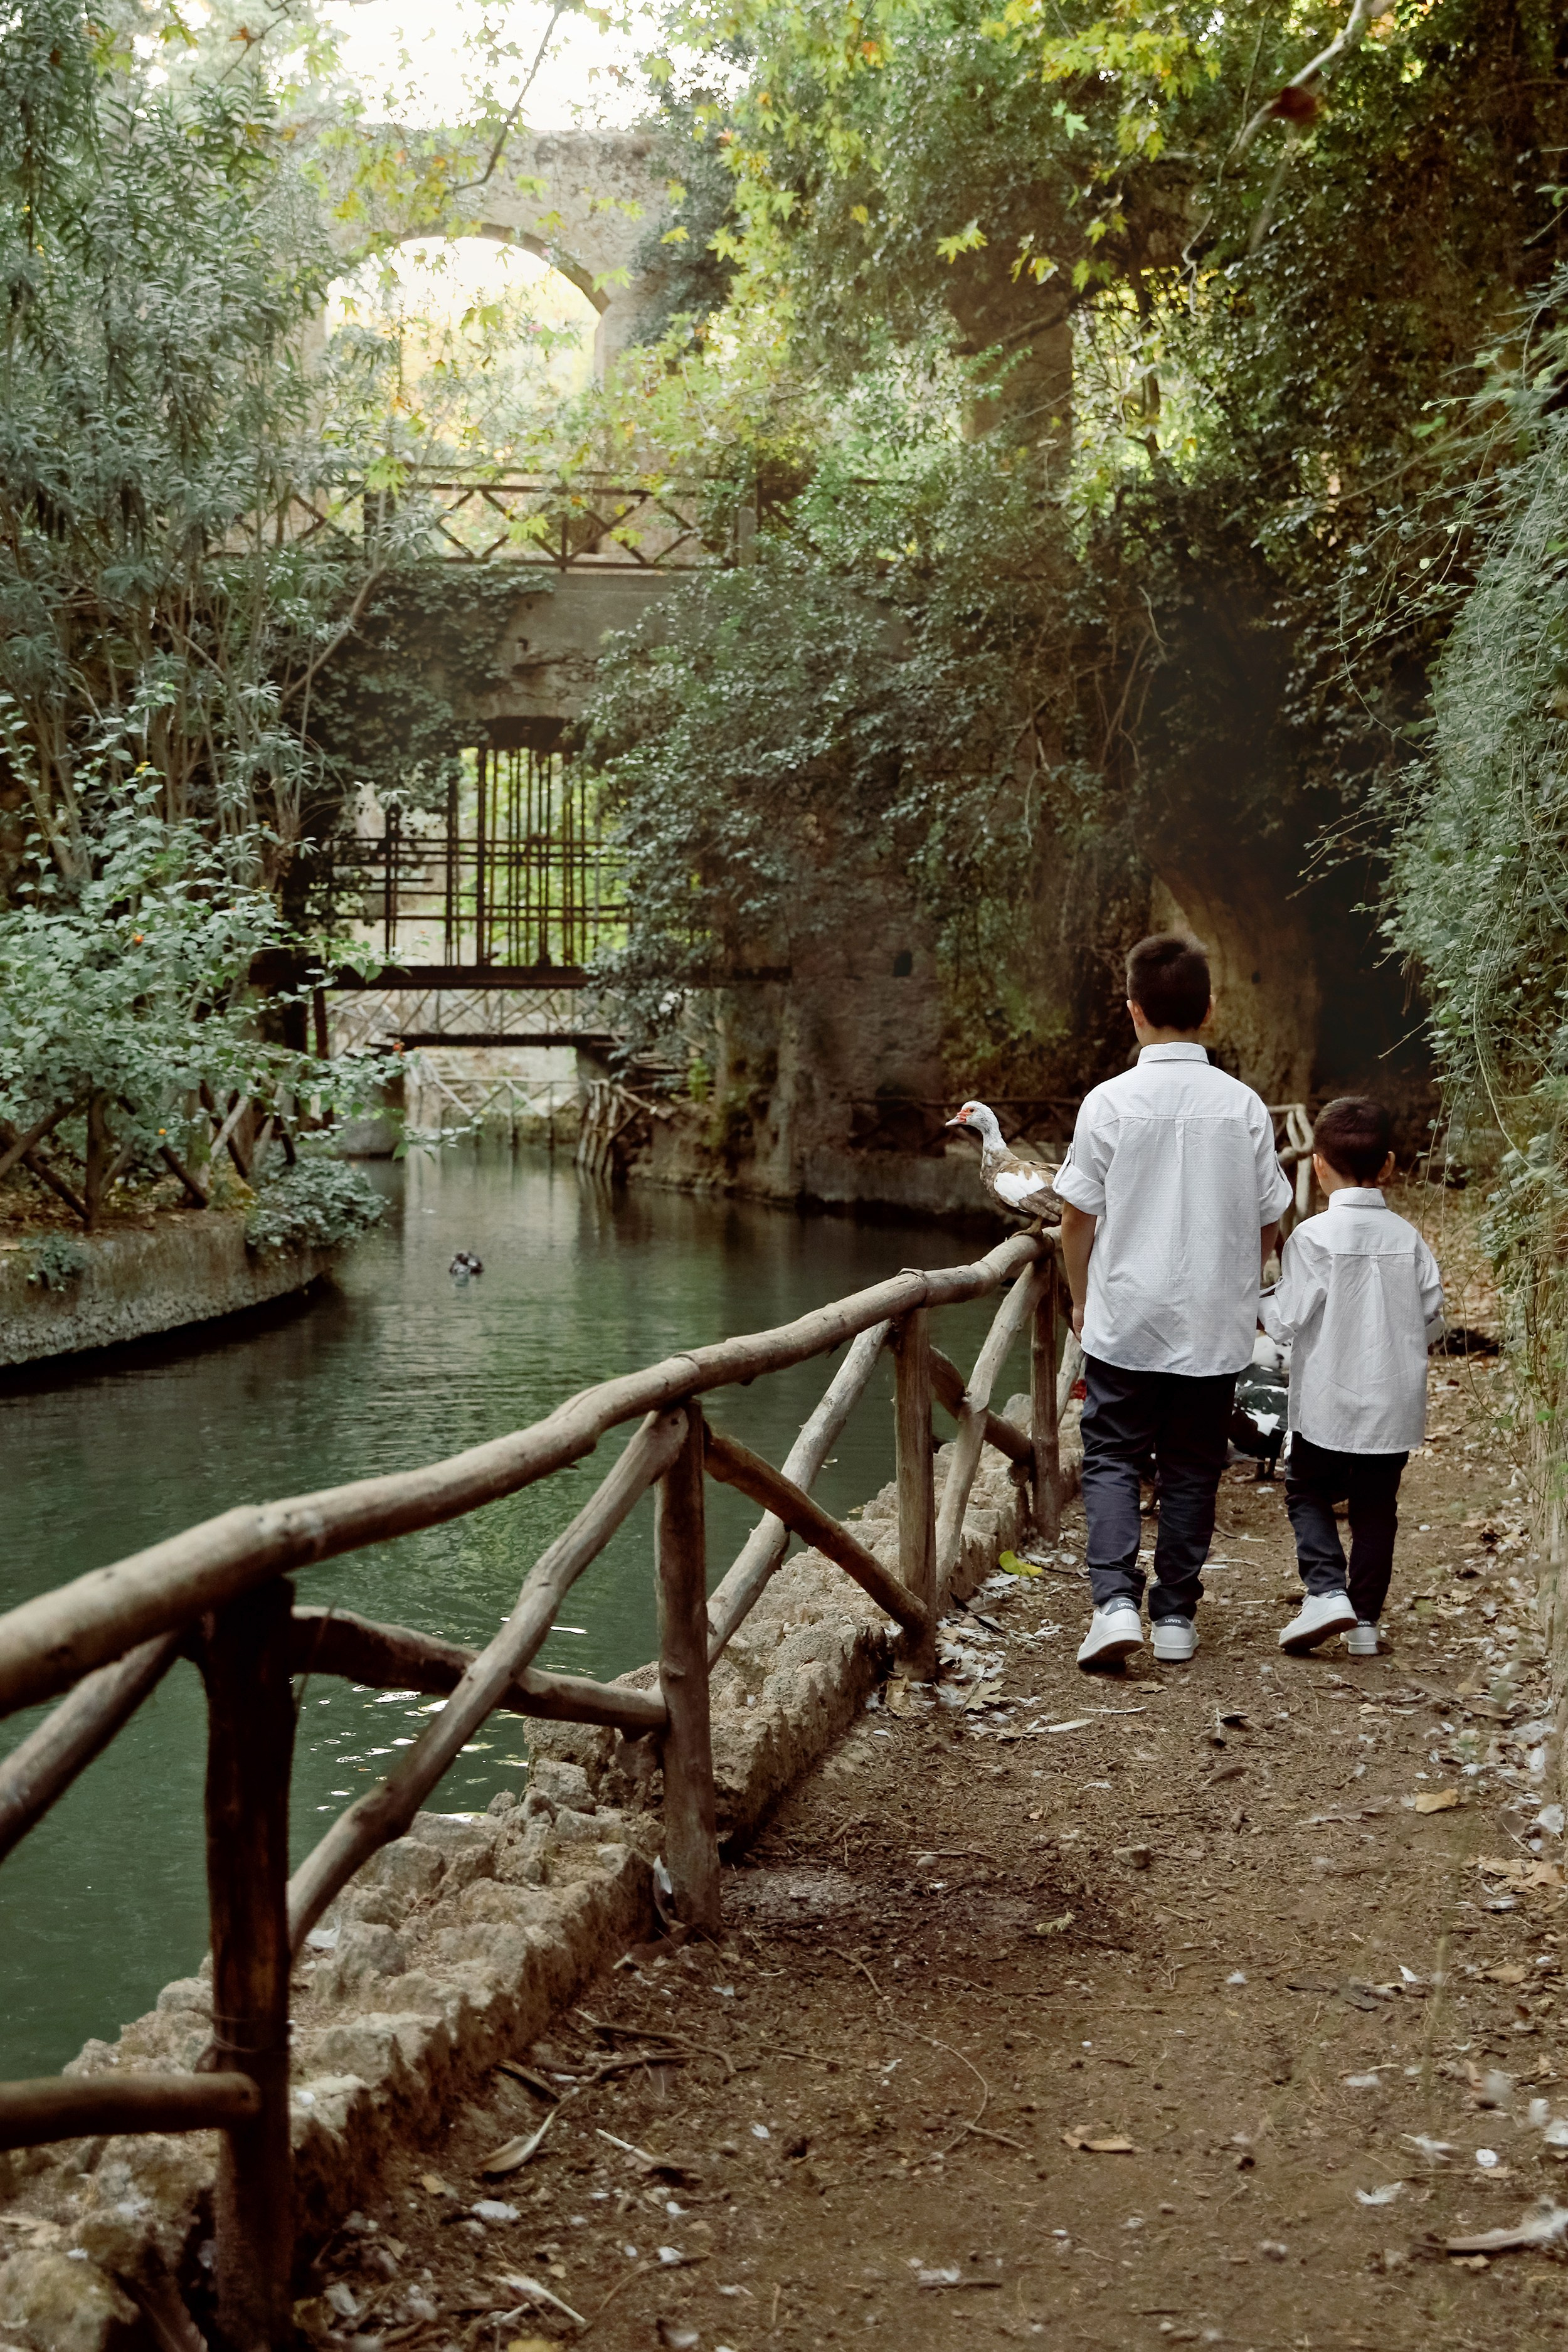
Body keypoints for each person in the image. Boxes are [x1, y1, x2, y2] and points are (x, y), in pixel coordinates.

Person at [1056, 935, 1292, 1669]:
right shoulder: (1245, 1108)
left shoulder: (1108, 1103)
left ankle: (1114, 1604)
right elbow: (1269, 1219)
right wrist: (1238, 1289)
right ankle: (1175, 1617)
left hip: (1125, 1316)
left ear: (1132, 1013)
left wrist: (1078, 1300)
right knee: (1193, 1463)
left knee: (1112, 1457)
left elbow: (1075, 1220)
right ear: (1209, 1012)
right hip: (1211, 1323)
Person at [1261, 1096, 1444, 1658]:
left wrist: (1258, 1305)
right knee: (1375, 1510)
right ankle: (1364, 1623)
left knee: (1306, 1491)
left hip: (1327, 1400)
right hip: (1393, 1403)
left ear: (1318, 1164)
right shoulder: (1410, 1240)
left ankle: (1324, 1589)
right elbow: (1433, 1319)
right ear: (1388, 1166)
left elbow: (1287, 1321)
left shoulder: (1312, 1238)